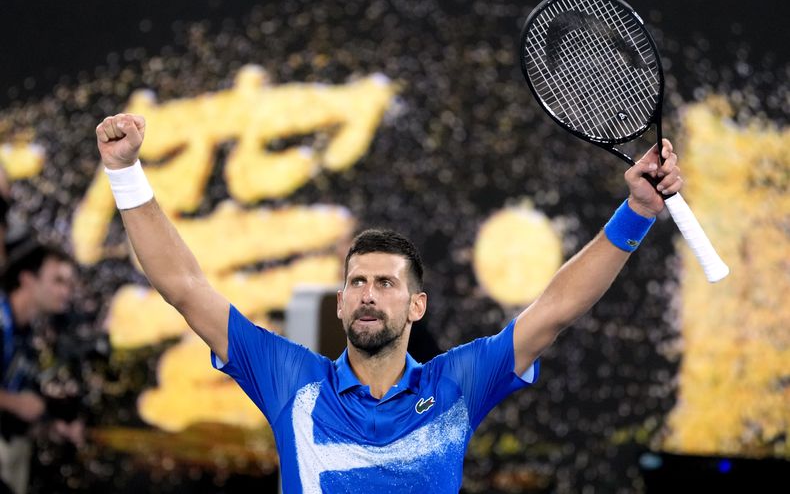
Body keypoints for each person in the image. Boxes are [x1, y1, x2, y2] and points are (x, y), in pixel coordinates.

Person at [95, 113, 682, 492]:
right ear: (341, 305)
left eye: (385, 283)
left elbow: (554, 310)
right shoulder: (290, 380)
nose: (368, 295)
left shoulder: (457, 386)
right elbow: (183, 286)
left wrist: (635, 214)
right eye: (356, 283)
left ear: (417, 307)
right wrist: (124, 173)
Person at [0, 241, 76, 494]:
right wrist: (17, 403)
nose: (66, 291)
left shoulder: (29, 333)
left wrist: (49, 426)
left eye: (69, 283)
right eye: (58, 281)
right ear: (27, 280)